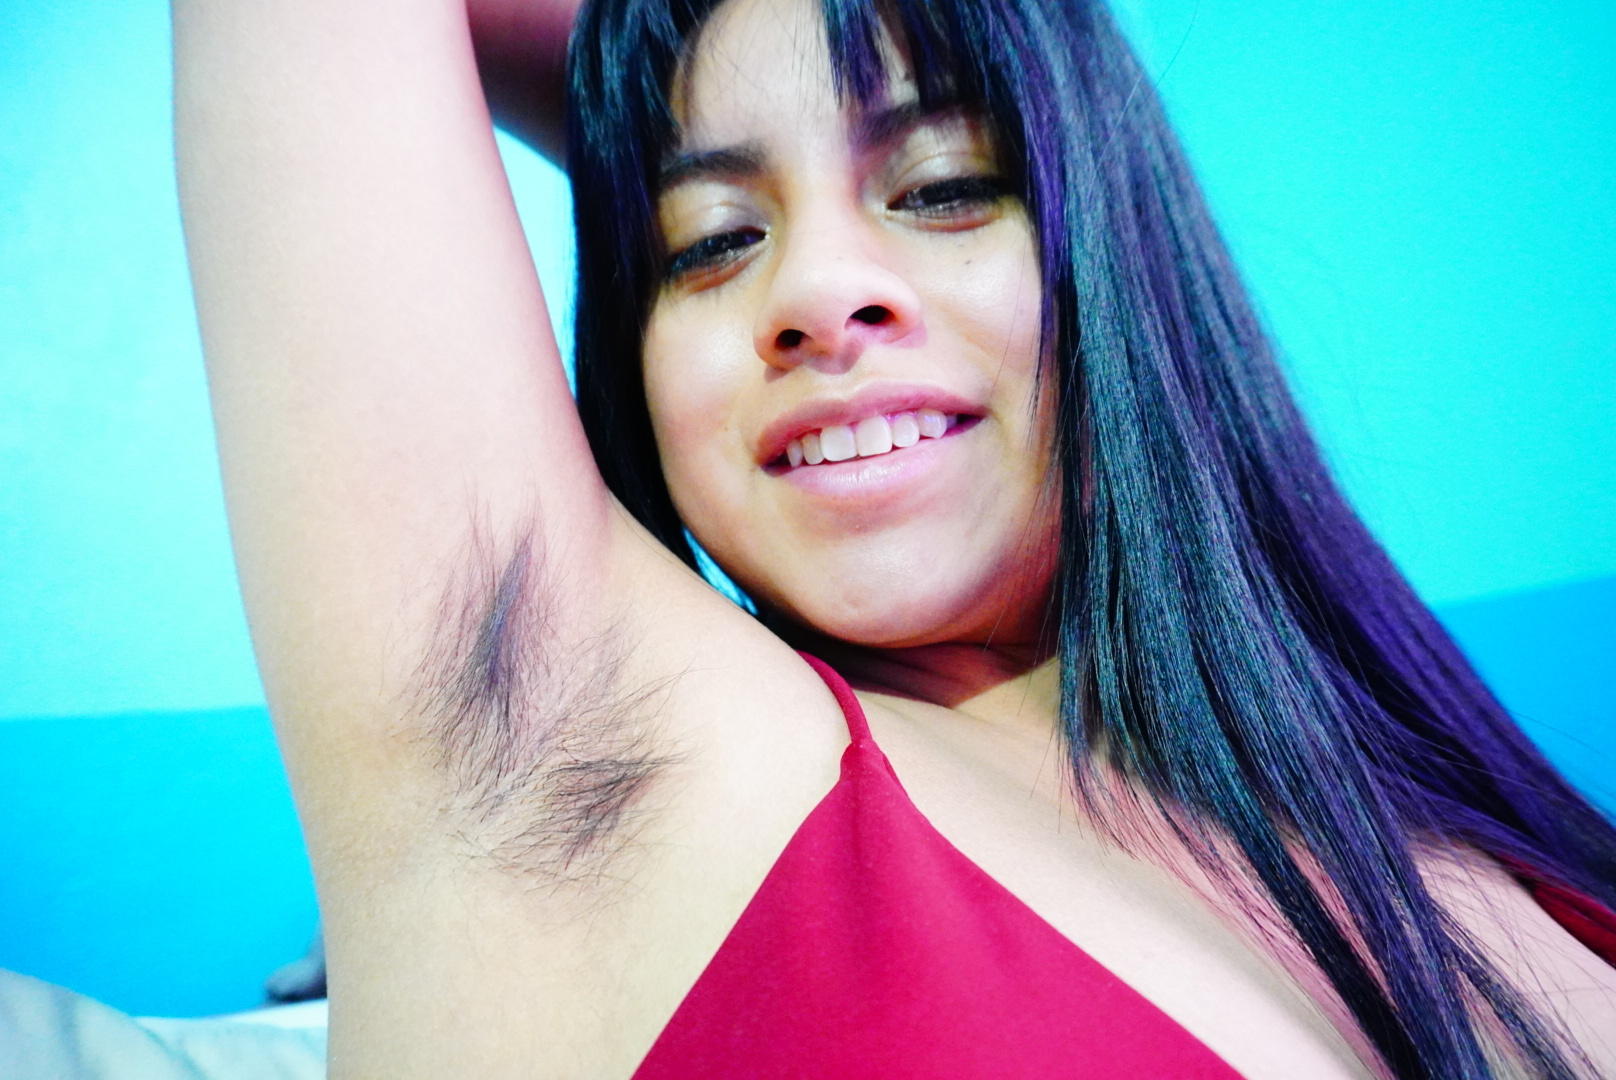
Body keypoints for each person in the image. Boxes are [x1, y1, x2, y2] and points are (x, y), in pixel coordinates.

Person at [171, 0, 1616, 1075]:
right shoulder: (569, 757)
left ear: (1126, 256)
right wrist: (643, 67)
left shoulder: (1458, 816)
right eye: (708, 243)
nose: (815, 292)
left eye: (942, 188)